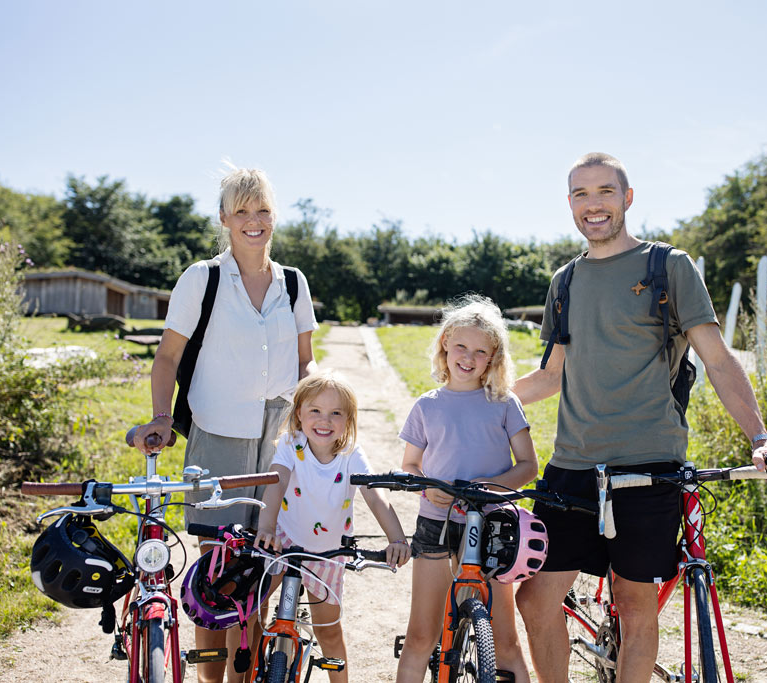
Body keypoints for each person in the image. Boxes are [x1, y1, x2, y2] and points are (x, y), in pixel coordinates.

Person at [512, 152, 767, 683]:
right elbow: (552, 375)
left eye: (605, 191)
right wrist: (475, 403)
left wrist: (761, 438)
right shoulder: (566, 280)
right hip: (572, 465)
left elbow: (718, 360)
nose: (593, 204)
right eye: (580, 194)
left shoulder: (667, 266)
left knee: (634, 604)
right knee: (534, 599)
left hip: (649, 466)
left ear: (627, 197)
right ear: (569, 203)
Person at [131, 165, 318, 683]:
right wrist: (162, 417)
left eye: (263, 210)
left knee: (262, 570)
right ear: (224, 218)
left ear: (273, 217)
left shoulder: (294, 283)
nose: (253, 220)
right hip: (218, 434)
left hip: (280, 440)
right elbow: (168, 357)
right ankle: (211, 679)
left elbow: (306, 363)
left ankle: (244, 676)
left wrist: (322, 414)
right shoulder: (202, 278)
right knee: (216, 575)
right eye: (242, 211)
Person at [395, 294, 539, 683]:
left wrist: (488, 487)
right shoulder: (427, 405)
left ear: (493, 358)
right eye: (461, 345)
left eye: (480, 351)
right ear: (445, 342)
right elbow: (410, 466)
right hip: (436, 522)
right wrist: (428, 488)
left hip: (491, 524)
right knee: (421, 635)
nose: (468, 357)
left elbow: (528, 465)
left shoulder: (504, 403)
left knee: (505, 641)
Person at [254, 369, 411, 683]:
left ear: (348, 419)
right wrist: (266, 527)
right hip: (283, 541)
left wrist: (396, 538)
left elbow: (374, 493)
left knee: (328, 631)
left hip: (328, 553)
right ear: (299, 413)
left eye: (335, 413)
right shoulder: (291, 444)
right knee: (253, 613)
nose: (324, 421)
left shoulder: (351, 453)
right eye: (315, 411)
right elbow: (277, 481)